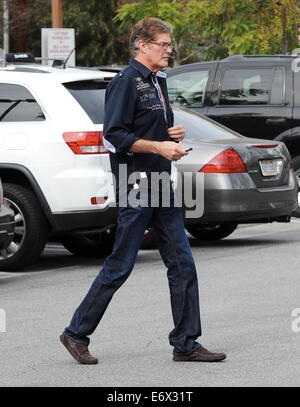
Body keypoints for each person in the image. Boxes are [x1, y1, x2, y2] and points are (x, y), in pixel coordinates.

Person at [60, 17, 226, 364]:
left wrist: (170, 136)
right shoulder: (125, 82)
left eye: (169, 44)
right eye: (163, 44)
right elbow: (114, 136)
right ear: (142, 46)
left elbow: (150, 128)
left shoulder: (157, 80)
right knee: (121, 264)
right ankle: (76, 333)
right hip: (137, 185)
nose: (169, 50)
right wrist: (159, 147)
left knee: (182, 264)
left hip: (161, 184)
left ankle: (186, 343)